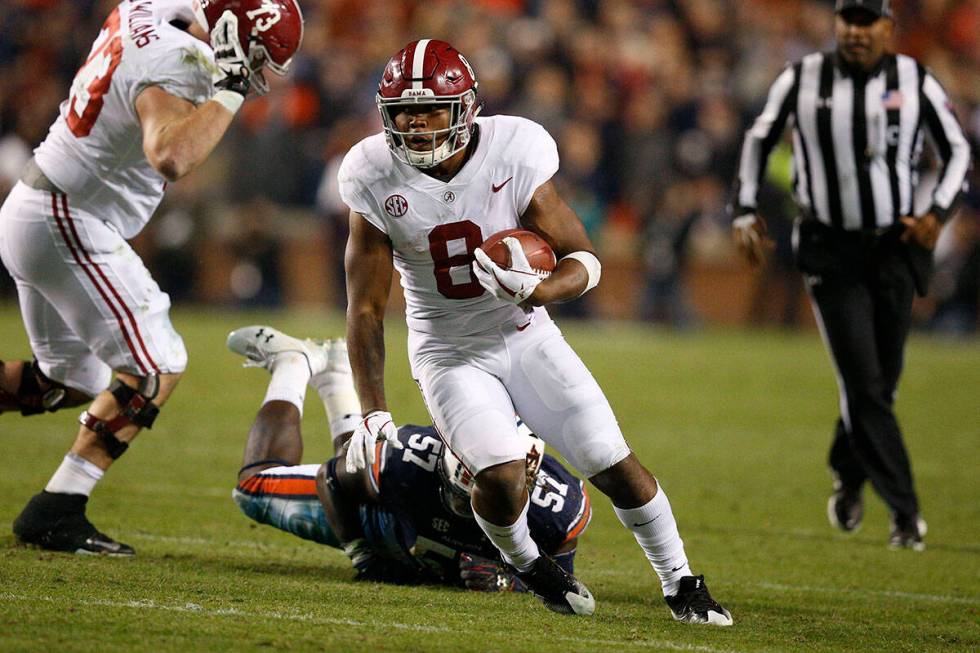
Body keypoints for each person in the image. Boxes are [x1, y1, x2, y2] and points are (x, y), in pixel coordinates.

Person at [339, 39, 731, 624]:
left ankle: (681, 583)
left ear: (465, 109)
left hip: (525, 333)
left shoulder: (512, 149)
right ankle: (527, 561)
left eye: (431, 111)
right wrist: (372, 411)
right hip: (449, 351)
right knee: (498, 477)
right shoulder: (371, 172)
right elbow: (366, 308)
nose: (416, 126)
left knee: (610, 458)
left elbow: (585, 260)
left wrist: (537, 291)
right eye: (403, 114)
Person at [0, 0, 304, 555]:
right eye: (261, 62)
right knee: (157, 365)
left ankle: (56, 504)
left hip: (39, 202)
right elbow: (170, 154)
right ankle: (58, 507)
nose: (263, 77)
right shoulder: (181, 60)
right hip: (70, 215)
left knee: (69, 382)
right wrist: (229, 86)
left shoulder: (156, 10)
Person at [730, 0, 970, 550]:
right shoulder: (802, 77)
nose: (856, 32)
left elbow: (958, 150)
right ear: (836, 23)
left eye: (867, 22)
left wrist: (939, 215)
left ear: (889, 26)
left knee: (881, 380)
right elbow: (758, 138)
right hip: (828, 247)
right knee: (863, 380)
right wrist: (744, 209)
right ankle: (906, 512)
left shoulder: (915, 80)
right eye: (848, 20)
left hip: (894, 246)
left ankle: (848, 471)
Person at [226, 325, 592, 591]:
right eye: (462, 494)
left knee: (366, 471)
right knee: (254, 491)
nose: (470, 506)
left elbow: (557, 583)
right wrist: (363, 551)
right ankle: (294, 363)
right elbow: (334, 479)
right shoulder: (412, 455)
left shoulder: (558, 510)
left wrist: (508, 581)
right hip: (386, 522)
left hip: (411, 527)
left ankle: (335, 376)